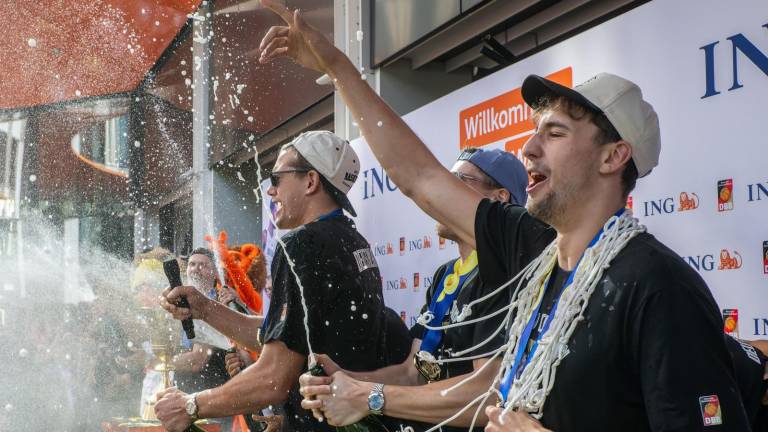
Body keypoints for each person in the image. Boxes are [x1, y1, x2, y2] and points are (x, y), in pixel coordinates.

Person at [258, 2, 751, 430]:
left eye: (554, 133)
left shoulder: (658, 286)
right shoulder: (534, 249)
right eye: (535, 132)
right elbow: (420, 177)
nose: (529, 148)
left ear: (613, 156)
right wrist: (339, 68)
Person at [155, 131, 405, 431]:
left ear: (310, 181)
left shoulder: (301, 245)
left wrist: (190, 405)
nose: (271, 191)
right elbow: (286, 338)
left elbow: (273, 379)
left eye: (276, 179)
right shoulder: (352, 241)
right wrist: (204, 308)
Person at [301, 148, 529, 432]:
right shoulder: (445, 275)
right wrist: (346, 380)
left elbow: (487, 396)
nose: (440, 194)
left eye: (458, 181)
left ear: (499, 198)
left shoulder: (504, 274)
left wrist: (369, 397)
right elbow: (415, 373)